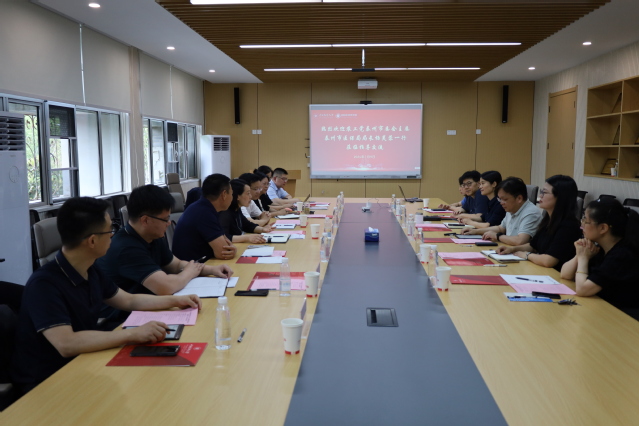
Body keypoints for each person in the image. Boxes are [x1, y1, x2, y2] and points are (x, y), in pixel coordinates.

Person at [11, 197, 202, 395]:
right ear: (92, 241)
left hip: (84, 361)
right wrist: (132, 334)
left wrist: (176, 300)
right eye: (110, 230)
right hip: (47, 381)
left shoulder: (90, 269)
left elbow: (128, 300)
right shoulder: (44, 284)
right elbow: (66, 343)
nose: (113, 235)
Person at [97, 184, 233, 296]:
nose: (168, 224)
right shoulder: (126, 248)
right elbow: (165, 287)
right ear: (145, 220)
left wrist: (212, 270)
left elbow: (176, 265)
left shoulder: (152, 236)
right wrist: (188, 273)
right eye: (165, 219)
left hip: (151, 305)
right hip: (126, 317)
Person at [561, 198, 639, 318]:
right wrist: (579, 255)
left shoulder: (622, 255)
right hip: (603, 309)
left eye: (585, 220)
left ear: (603, 228)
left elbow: (582, 290)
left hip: (623, 317)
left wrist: (583, 258)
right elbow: (565, 274)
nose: (582, 224)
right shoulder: (601, 248)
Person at [496, 175, 581, 270]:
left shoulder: (568, 226)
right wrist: (512, 249)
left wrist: (527, 255)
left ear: (560, 196)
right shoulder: (548, 220)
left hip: (556, 275)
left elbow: (549, 260)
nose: (540, 196)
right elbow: (533, 246)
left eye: (544, 193)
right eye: (541, 192)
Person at [172, 173, 237, 261]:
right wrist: (233, 249)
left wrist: (230, 248)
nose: (232, 198)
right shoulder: (203, 213)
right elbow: (223, 252)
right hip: (192, 267)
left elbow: (225, 242)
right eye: (232, 194)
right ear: (224, 194)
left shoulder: (204, 207)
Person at [462, 177, 543, 245]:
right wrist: (475, 231)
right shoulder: (512, 208)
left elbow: (520, 241)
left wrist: (497, 236)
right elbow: (500, 228)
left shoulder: (531, 213)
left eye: (504, 199)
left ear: (519, 198)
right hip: (508, 248)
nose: (501, 203)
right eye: (500, 199)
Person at [219, 179, 272, 243]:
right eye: (248, 193)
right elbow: (224, 237)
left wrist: (263, 229)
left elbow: (247, 225)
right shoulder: (224, 213)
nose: (250, 196)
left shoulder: (237, 209)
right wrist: (247, 238)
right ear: (237, 196)